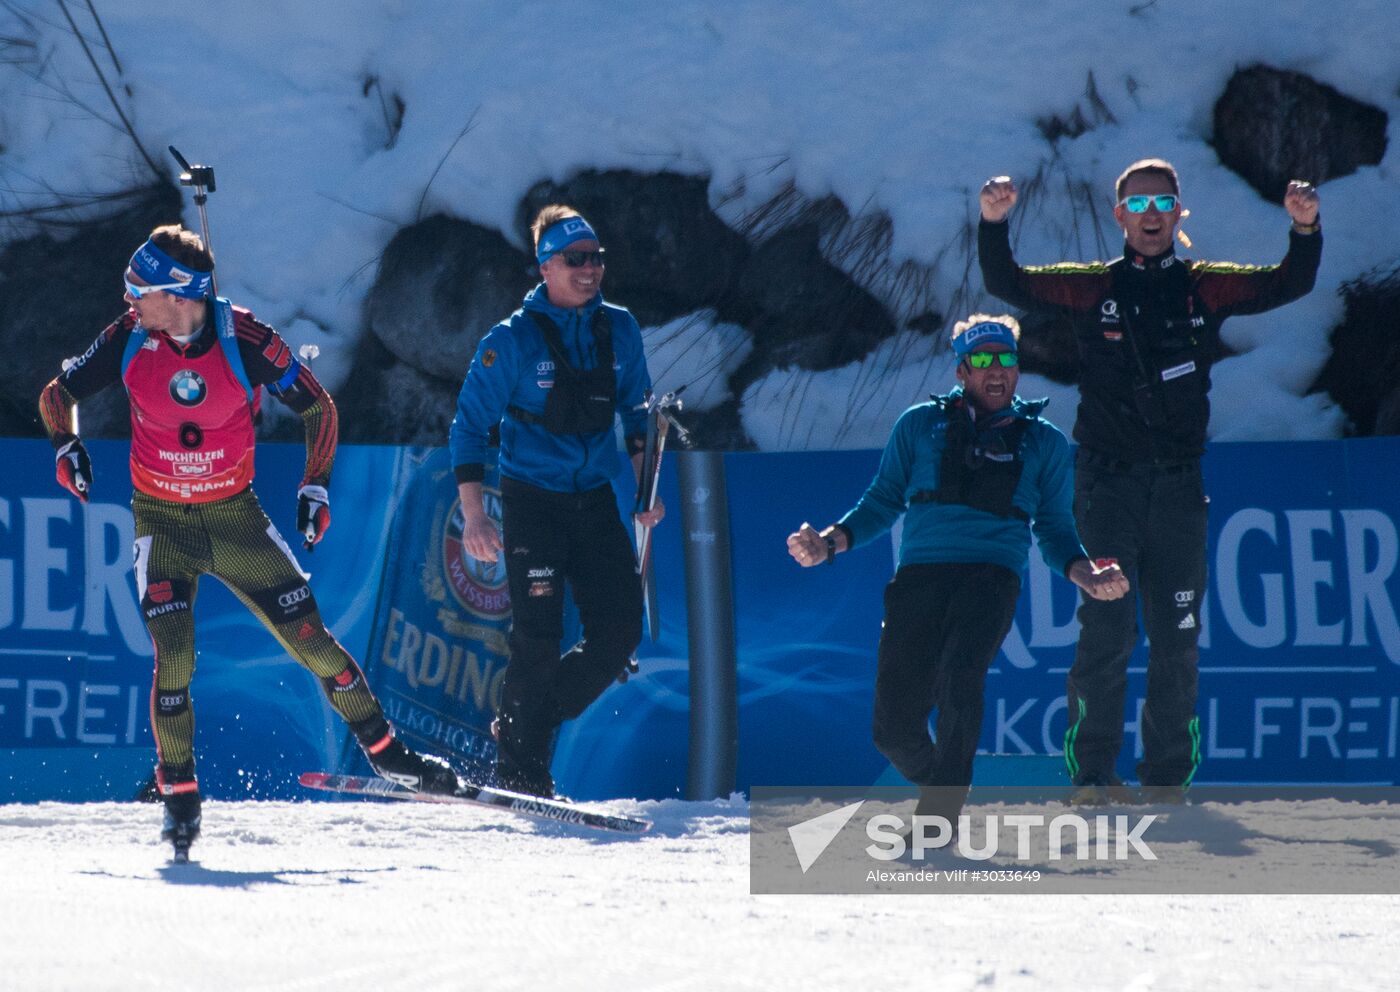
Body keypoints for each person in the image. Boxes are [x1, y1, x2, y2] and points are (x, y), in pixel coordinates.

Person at [38, 225, 459, 852]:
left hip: (236, 521)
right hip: (164, 525)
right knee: (174, 657)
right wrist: (66, 443)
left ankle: (388, 754)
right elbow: (56, 394)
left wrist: (314, 486)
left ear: (180, 295)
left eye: (140, 291)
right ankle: (179, 793)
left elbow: (320, 408)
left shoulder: (248, 341)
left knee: (313, 643)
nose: (129, 302)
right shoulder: (128, 338)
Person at [977, 160, 1322, 801]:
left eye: (1163, 202)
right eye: (1138, 205)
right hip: (1106, 485)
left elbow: (1287, 284)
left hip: (1179, 488)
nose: (1152, 214)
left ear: (1179, 213)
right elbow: (1008, 281)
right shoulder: (1092, 286)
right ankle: (1092, 777)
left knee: (1177, 638)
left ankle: (1165, 781)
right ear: (1120, 218)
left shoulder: (1204, 287)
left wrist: (1304, 229)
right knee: (1107, 632)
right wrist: (994, 221)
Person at [787, 313, 1128, 832]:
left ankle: (938, 817)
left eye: (1007, 360)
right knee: (893, 730)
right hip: (920, 579)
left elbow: (1055, 528)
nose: (997, 370)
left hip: (991, 578)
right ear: (962, 371)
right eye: (984, 361)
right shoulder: (920, 425)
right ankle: (947, 783)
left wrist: (1083, 571)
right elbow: (882, 501)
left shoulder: (1044, 442)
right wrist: (829, 543)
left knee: (961, 677)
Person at [450, 205, 663, 798]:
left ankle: (527, 721)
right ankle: (522, 774)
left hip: (594, 501)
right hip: (532, 505)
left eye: (597, 258)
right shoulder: (509, 341)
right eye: (576, 260)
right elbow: (469, 428)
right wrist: (473, 516)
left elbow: (639, 415)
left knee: (620, 632)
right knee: (537, 641)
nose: (590, 269)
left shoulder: (619, 328)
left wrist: (647, 493)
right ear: (547, 267)